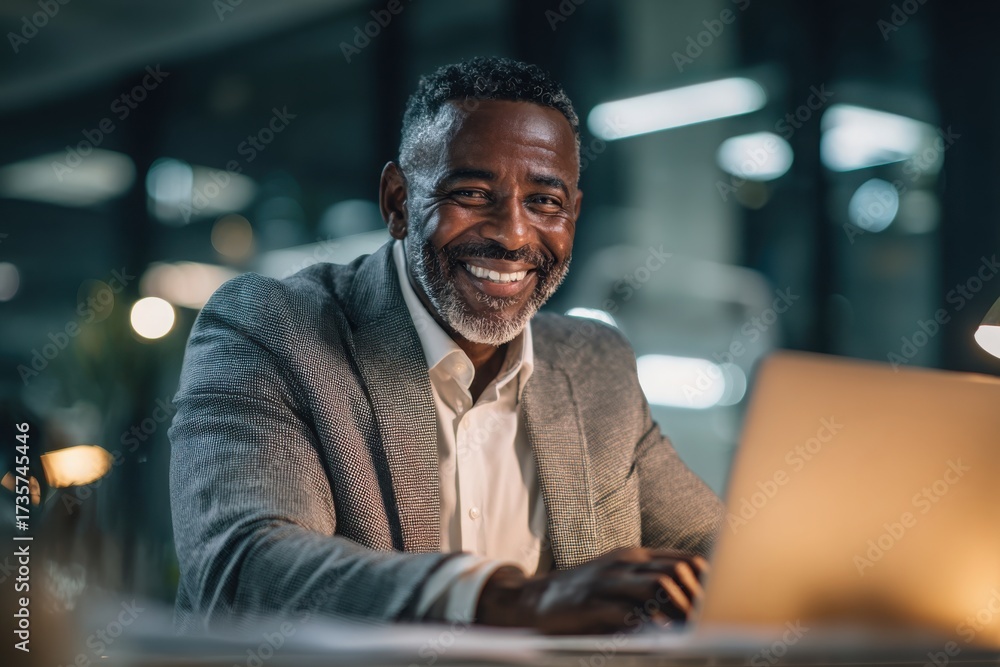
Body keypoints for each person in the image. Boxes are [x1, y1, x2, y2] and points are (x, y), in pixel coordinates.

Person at [168, 56, 724, 636]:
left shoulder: (594, 363)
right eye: (473, 193)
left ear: (574, 215)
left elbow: (712, 550)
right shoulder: (272, 328)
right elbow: (246, 568)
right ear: (398, 202)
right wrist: (513, 600)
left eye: (545, 202)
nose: (512, 234)